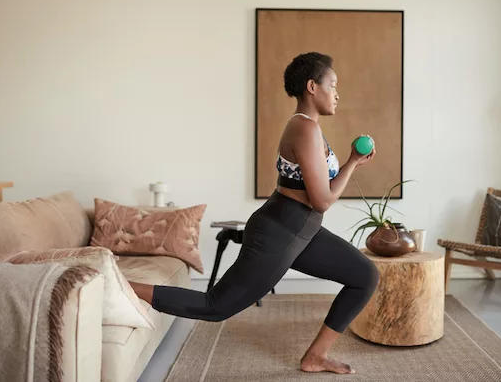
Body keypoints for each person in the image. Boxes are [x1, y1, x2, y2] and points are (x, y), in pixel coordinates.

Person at [129, 52, 379, 375]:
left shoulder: (310, 128)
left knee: (364, 275)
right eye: (333, 85)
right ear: (312, 87)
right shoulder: (304, 129)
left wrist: (352, 163)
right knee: (215, 306)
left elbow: (320, 191)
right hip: (282, 231)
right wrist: (351, 165)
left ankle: (315, 356)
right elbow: (322, 200)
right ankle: (125, 287)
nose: (337, 94)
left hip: (302, 230)